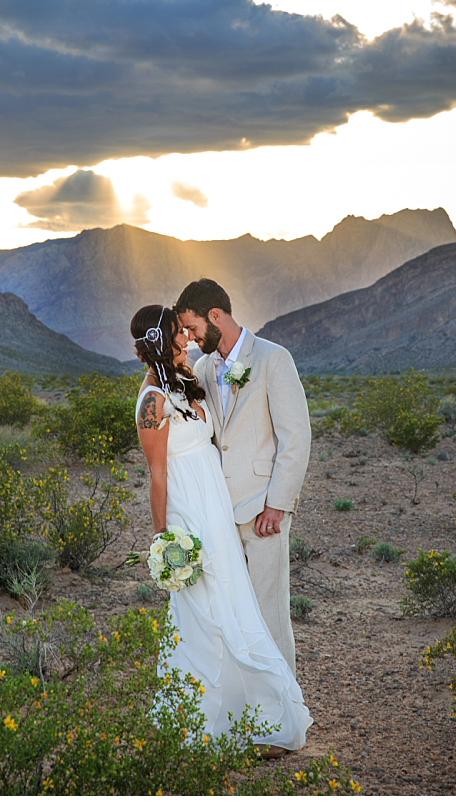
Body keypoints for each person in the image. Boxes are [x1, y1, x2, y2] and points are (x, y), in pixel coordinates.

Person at [131, 304, 312, 756]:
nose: (189, 339)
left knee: (234, 606)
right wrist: (163, 537)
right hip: (189, 516)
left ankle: (251, 711)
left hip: (218, 508)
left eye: (188, 330)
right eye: (180, 332)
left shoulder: (192, 380)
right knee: (201, 614)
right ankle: (197, 715)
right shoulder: (152, 401)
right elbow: (157, 475)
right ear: (163, 339)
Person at [174, 279, 311, 675]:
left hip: (262, 511)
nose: (191, 337)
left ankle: (282, 715)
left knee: (269, 613)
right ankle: (247, 706)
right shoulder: (202, 366)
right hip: (219, 514)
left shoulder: (272, 358)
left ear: (215, 316)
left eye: (194, 328)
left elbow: (295, 437)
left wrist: (278, 505)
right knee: (232, 614)